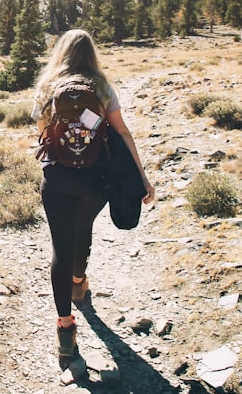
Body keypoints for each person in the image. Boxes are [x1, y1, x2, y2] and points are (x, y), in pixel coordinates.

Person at [31, 29, 156, 370]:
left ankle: (65, 330)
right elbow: (123, 132)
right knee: (83, 227)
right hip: (94, 181)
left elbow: (41, 133)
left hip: (56, 179)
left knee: (60, 246)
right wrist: (142, 177)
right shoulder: (101, 89)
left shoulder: (47, 88)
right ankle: (78, 281)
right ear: (91, 55)